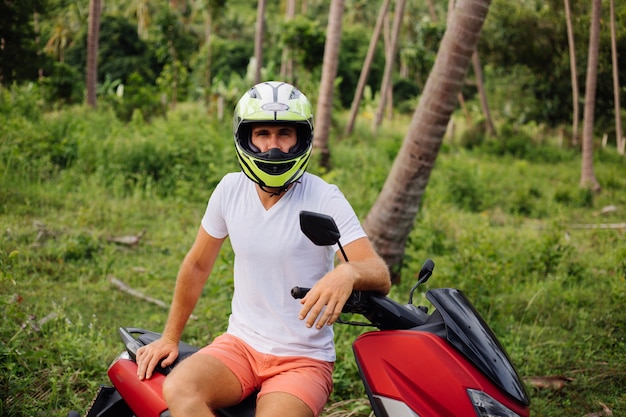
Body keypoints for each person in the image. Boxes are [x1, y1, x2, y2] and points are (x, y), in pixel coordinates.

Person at [136, 81, 391, 417]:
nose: (273, 146)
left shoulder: (324, 196)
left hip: (303, 360)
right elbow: (198, 265)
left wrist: (347, 272)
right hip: (240, 345)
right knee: (180, 389)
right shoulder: (230, 189)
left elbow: (378, 274)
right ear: (247, 138)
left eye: (285, 133)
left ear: (301, 138)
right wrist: (170, 337)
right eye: (263, 134)